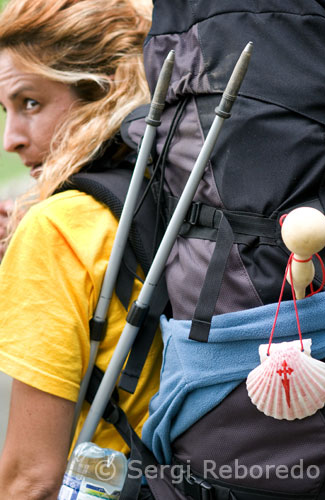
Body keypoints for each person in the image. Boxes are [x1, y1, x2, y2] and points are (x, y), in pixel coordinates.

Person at [0, 0, 162, 498]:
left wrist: (41, 240)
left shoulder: (60, 228)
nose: (11, 139)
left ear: (101, 94)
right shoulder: (188, 194)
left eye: (30, 103)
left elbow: (31, 477)